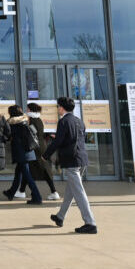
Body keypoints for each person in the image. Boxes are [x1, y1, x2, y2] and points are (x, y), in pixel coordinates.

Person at [43, 96, 96, 234]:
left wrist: (45, 155)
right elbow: (76, 139)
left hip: (72, 161)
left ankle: (90, 223)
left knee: (79, 192)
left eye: (58, 106)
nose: (57, 109)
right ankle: (60, 216)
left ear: (61, 107)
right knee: (71, 191)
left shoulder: (63, 121)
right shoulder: (79, 121)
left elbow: (58, 142)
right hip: (81, 159)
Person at [19, 103, 60, 201]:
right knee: (30, 168)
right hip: (41, 146)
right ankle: (21, 191)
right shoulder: (39, 120)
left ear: (30, 110)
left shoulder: (30, 120)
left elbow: (31, 134)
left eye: (27, 108)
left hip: (35, 148)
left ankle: (54, 192)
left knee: (41, 169)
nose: (26, 110)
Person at [4, 105, 43, 204]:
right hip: (28, 151)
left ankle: (37, 197)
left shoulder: (13, 123)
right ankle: (11, 192)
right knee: (18, 173)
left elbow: (8, 136)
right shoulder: (25, 121)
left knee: (27, 175)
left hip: (21, 153)